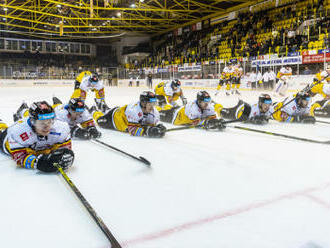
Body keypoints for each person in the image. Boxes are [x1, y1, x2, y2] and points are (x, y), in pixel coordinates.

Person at [0, 101, 74, 172]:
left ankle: (24, 110)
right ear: (32, 122)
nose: (47, 127)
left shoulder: (61, 128)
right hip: (6, 140)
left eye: (50, 121)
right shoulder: (17, 131)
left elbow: (65, 150)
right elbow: (19, 157)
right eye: (42, 123)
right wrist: (37, 163)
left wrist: (66, 155)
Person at [91, 91, 166, 138]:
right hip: (114, 118)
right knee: (99, 121)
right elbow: (132, 130)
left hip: (122, 112)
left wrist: (159, 127)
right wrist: (147, 131)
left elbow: (151, 124)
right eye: (150, 103)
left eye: (154, 103)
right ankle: (93, 111)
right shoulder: (134, 111)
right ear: (143, 103)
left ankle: (105, 108)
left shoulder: (154, 111)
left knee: (106, 110)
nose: (152, 106)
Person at [159, 91, 226, 130]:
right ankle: (159, 106)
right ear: (199, 101)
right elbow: (196, 124)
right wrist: (209, 124)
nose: (207, 103)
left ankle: (164, 106)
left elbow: (212, 119)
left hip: (182, 109)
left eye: (209, 101)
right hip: (174, 117)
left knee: (168, 107)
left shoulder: (208, 106)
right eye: (205, 101)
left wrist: (218, 122)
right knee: (159, 112)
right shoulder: (194, 109)